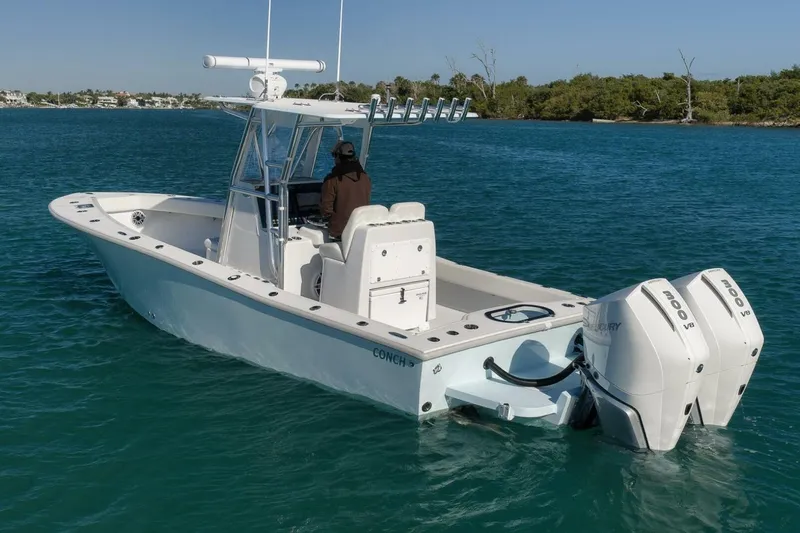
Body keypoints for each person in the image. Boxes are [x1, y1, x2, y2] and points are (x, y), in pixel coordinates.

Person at [319, 140, 372, 241]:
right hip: (360, 230)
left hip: (339, 233)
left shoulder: (332, 180)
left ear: (338, 157)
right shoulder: (365, 177)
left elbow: (326, 210)